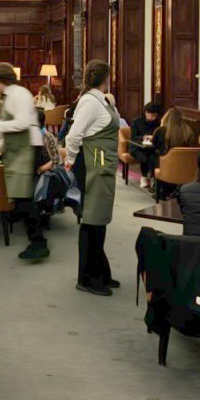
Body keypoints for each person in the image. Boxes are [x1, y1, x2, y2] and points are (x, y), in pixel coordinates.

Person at [63, 60, 121, 295]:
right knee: (92, 220)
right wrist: (70, 159)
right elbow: (73, 135)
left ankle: (101, 272)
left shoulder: (101, 100)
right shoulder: (89, 101)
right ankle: (87, 279)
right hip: (93, 165)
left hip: (102, 165)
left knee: (99, 219)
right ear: (106, 78)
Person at [0, 62, 48, 260]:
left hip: (27, 148)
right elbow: (7, 135)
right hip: (19, 148)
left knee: (23, 198)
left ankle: (38, 243)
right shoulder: (10, 96)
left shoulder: (18, 95)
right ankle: (37, 241)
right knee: (22, 198)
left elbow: (22, 123)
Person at [149, 107, 197, 200]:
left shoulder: (162, 130)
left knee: (152, 156)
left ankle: (158, 187)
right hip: (185, 165)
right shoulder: (188, 131)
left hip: (166, 165)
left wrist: (161, 125)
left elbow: (154, 145)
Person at [128, 102, 162, 190]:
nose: (152, 117)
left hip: (152, 147)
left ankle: (153, 178)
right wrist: (145, 137)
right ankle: (144, 177)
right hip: (137, 146)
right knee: (145, 155)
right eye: (150, 114)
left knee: (154, 155)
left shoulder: (159, 122)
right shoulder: (136, 121)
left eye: (155, 115)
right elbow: (134, 138)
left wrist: (154, 138)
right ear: (146, 112)